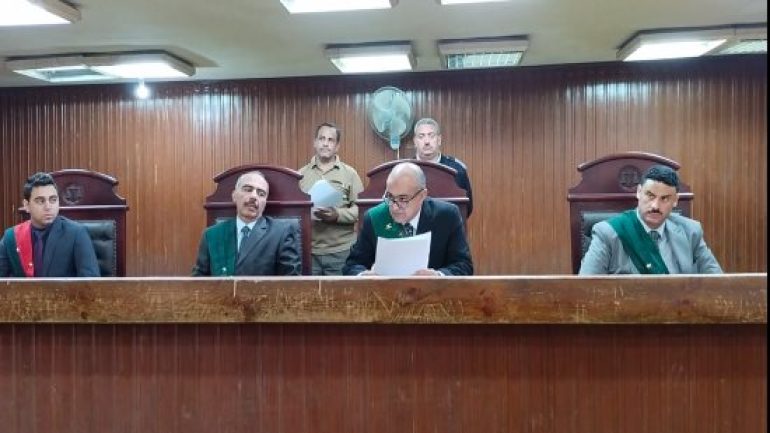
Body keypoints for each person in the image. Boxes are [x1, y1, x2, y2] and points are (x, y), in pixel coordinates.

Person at [579, 165, 722, 275]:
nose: (655, 206)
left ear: (675, 200)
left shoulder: (691, 232)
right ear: (639, 192)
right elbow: (587, 288)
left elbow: (717, 282)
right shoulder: (607, 233)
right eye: (650, 195)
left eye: (665, 198)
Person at [343, 162, 473, 276]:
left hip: (432, 294)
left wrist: (438, 276)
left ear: (422, 195)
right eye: (390, 197)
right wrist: (364, 275)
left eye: (403, 199)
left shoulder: (447, 216)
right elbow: (352, 266)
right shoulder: (374, 217)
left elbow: (464, 266)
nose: (394, 207)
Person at [192, 171, 301, 276]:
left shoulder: (281, 233)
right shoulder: (212, 235)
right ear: (234, 196)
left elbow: (291, 282)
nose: (254, 196)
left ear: (265, 203)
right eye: (248, 189)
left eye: (261, 194)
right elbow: (198, 281)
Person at [0, 172, 99, 277]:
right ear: (26, 205)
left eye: (53, 200)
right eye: (40, 201)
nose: (48, 207)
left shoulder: (76, 234)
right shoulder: (11, 237)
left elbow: (91, 282)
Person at [298, 122, 364, 275]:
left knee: (341, 291)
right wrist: (307, 214)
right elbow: (294, 213)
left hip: (341, 251)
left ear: (337, 146)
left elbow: (361, 210)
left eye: (330, 140)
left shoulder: (350, 174)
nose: (325, 143)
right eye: (322, 139)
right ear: (315, 142)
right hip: (309, 251)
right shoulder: (300, 175)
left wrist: (337, 215)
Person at [413, 117, 473, 217]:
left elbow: (467, 207)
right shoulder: (404, 170)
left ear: (439, 140)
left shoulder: (456, 170)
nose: (427, 141)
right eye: (421, 136)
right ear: (415, 141)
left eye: (431, 136)